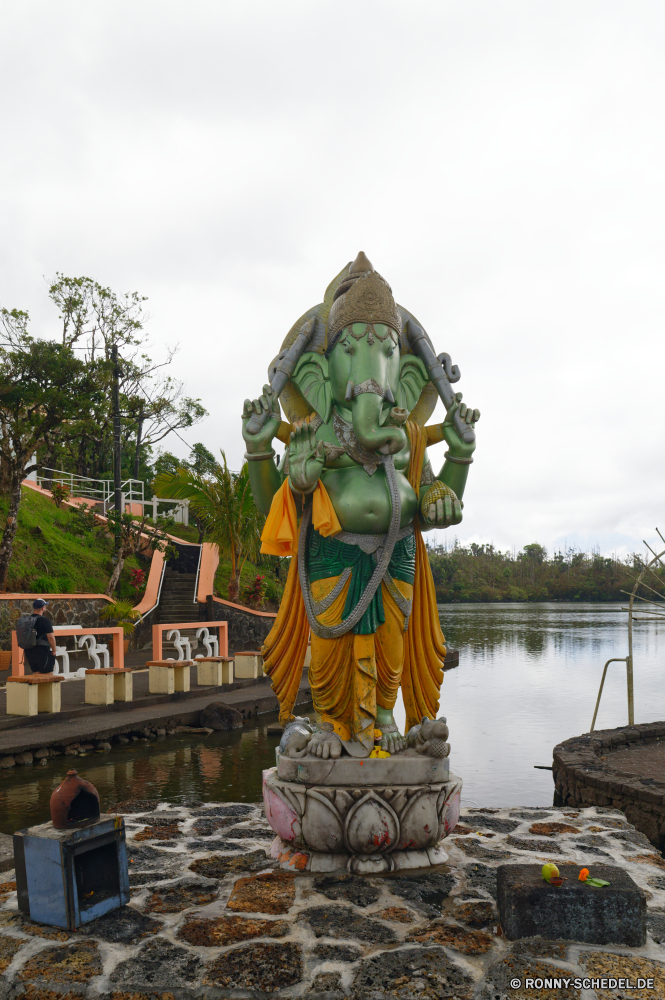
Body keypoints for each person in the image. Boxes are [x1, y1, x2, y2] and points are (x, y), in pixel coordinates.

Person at [24, 599, 57, 674]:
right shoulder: (45, 620)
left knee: (36, 675)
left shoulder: (27, 620)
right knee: (48, 676)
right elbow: (51, 637)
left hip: (29, 652)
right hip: (42, 652)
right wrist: (54, 650)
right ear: (43, 608)